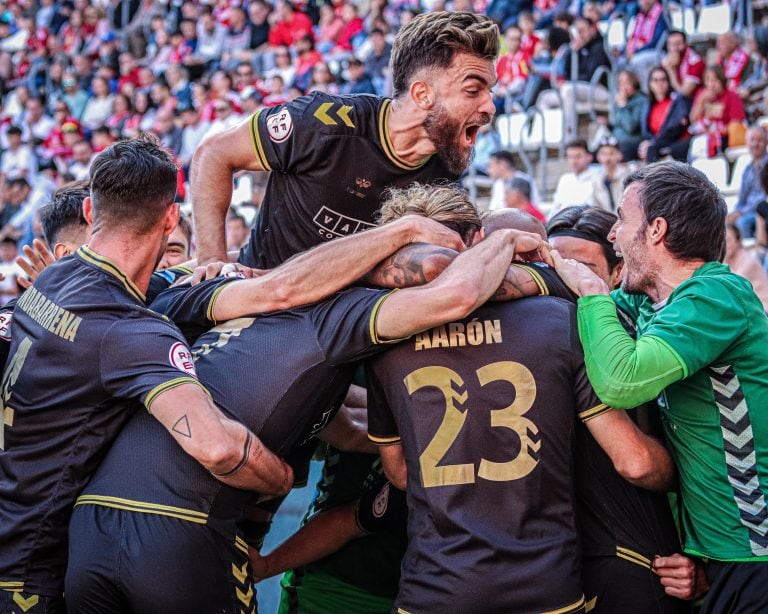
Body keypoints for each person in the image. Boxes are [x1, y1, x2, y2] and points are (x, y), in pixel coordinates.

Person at [64, 208, 546, 613]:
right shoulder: (342, 312)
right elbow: (453, 290)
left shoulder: (216, 291)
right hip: (181, 532)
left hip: (88, 531)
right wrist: (517, 250)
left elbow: (333, 415)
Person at [0, 137, 293, 613]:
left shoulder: (53, 277)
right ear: (171, 218)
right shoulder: (130, 330)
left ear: (91, 211)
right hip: (35, 570)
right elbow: (217, 447)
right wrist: (279, 476)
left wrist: (222, 268)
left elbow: (166, 279)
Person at [365, 215, 676, 614]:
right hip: (546, 585)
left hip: (438, 586)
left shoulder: (388, 335)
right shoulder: (564, 320)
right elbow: (634, 461)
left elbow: (402, 475)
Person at [551, 160, 768, 613]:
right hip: (719, 555)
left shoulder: (717, 297)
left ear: (656, 230)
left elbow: (621, 381)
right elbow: (557, 303)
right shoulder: (650, 300)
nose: (612, 235)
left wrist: (592, 293)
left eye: (622, 220)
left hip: (757, 554)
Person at [191, 11, 499, 269]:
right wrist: (212, 264)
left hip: (349, 318)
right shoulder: (325, 121)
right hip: (263, 303)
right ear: (423, 94)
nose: (490, 107)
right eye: (473, 91)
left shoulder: (445, 162)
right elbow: (214, 153)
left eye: (490, 91)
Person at [547, 205, 700, 612]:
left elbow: (650, 461)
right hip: (549, 572)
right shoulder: (529, 335)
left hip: (632, 565)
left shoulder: (637, 345)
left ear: (616, 275)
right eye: (554, 262)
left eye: (581, 266)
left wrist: (699, 559)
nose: (566, 276)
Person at [687, 65, 746, 159]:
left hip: (723, 137)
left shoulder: (731, 96)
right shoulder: (702, 95)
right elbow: (692, 120)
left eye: (715, 80)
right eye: (708, 80)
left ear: (722, 81)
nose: (711, 84)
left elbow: (736, 124)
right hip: (702, 135)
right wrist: (701, 101)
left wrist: (714, 131)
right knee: (677, 149)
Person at [638, 66, 692, 163]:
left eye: (663, 79)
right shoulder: (648, 105)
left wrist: (652, 142)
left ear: (668, 82)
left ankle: (653, 178)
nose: (660, 83)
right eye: (655, 80)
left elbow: (676, 127)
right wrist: (648, 142)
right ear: (649, 83)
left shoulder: (677, 100)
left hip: (676, 141)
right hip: (657, 142)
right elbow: (647, 132)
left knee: (651, 149)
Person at [728, 125, 768, 239]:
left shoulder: (767, 167)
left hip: (760, 211)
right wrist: (735, 212)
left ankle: (752, 254)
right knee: (725, 222)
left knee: (742, 222)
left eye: (759, 140)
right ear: (747, 143)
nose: (755, 144)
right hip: (747, 211)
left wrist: (741, 213)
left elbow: (763, 198)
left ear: (766, 142)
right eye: (752, 140)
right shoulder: (748, 169)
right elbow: (742, 197)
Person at [724, 223, 768, 312]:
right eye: (721, 241)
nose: (724, 245)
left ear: (738, 240)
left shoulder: (748, 261)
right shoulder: (726, 259)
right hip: (747, 309)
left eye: (728, 240)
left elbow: (731, 289)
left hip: (762, 311)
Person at [552, 139, 600, 212]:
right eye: (570, 157)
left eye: (578, 157)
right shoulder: (565, 179)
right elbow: (556, 207)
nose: (574, 161)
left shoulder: (598, 178)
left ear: (589, 157)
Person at [611, 70, 645, 161]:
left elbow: (630, 127)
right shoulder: (621, 99)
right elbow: (616, 123)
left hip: (632, 143)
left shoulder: (641, 100)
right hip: (617, 141)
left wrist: (623, 105)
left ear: (634, 83)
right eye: (621, 83)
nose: (623, 87)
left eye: (627, 83)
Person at [591, 136, 632, 212]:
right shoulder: (596, 180)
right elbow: (595, 206)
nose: (607, 158)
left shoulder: (628, 176)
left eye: (611, 153)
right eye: (603, 154)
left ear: (620, 155)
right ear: (598, 157)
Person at [662, 31, 705, 100]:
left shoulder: (695, 62)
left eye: (678, 44)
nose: (674, 48)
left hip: (690, 102)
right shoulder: (667, 59)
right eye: (671, 44)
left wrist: (670, 70)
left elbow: (684, 94)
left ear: (686, 44)